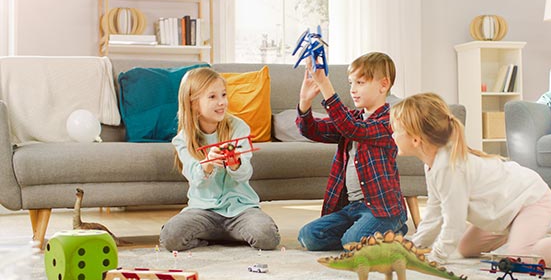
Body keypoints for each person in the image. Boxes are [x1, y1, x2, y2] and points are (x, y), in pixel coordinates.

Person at [389, 92, 551, 265]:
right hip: (504, 211)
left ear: (416, 139)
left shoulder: (450, 167)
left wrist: (435, 258)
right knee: (466, 248)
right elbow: (434, 211)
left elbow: (452, 221)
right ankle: (529, 228)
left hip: (530, 200)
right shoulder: (432, 164)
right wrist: (414, 246)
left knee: (522, 259)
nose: (392, 135)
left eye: (396, 131)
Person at [159, 68, 281, 252]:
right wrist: (206, 165)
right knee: (170, 238)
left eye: (223, 95)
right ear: (193, 103)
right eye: (212, 97)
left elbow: (244, 174)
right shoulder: (183, 139)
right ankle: (222, 237)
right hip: (202, 211)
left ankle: (231, 234)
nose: (222, 102)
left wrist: (235, 164)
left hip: (241, 209)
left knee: (267, 237)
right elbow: (194, 178)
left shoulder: (239, 128)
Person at [296, 52, 408, 251]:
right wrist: (304, 102)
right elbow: (312, 130)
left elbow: (353, 129)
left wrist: (324, 84)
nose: (353, 90)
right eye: (351, 83)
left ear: (383, 85)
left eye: (360, 83)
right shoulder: (353, 118)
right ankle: (372, 233)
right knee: (308, 236)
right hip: (352, 207)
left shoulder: (389, 121)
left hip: (381, 208)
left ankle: (393, 228)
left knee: (352, 242)